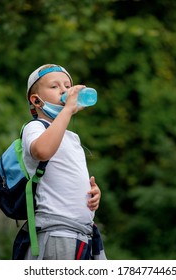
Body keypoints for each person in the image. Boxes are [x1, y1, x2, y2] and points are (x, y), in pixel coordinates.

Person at [21, 64, 106, 260]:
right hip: (58, 231)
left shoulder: (72, 137)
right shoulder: (35, 127)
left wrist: (91, 194)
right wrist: (68, 109)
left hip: (84, 232)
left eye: (68, 86)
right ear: (36, 100)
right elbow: (42, 151)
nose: (64, 91)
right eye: (54, 86)